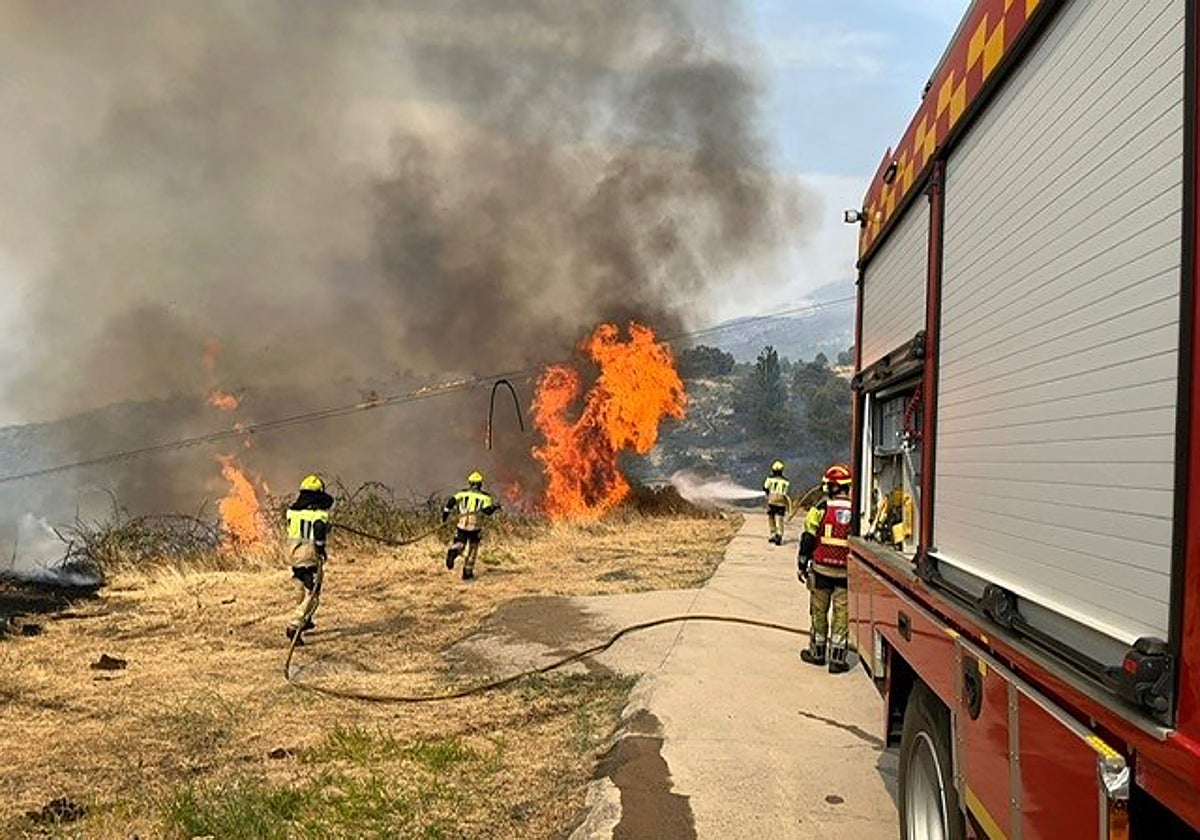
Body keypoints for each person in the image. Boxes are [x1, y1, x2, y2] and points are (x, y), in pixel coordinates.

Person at [797, 464, 853, 673]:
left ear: (832, 486)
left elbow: (808, 537)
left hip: (821, 571)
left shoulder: (820, 507)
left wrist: (802, 564)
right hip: (846, 573)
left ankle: (817, 653)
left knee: (819, 612)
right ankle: (837, 660)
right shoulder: (858, 509)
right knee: (841, 615)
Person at [285, 473, 334, 646]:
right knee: (313, 594)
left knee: (301, 586)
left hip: (293, 556)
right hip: (309, 557)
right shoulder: (318, 515)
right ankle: (295, 624)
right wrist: (320, 547)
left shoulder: (292, 512)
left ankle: (306, 620)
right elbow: (318, 528)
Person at [442, 470, 500, 581]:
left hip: (462, 525)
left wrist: (445, 516)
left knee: (460, 544)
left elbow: (450, 502)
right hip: (475, 527)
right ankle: (467, 573)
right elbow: (487, 511)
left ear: (470, 483)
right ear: (480, 484)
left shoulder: (462, 493)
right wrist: (495, 507)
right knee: (472, 550)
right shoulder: (485, 497)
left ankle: (453, 552)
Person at [763, 460, 790, 545]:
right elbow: (786, 491)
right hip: (782, 500)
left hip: (772, 500)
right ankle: (780, 534)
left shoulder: (769, 479)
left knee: (771, 517)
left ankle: (773, 534)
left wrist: (767, 495)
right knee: (780, 518)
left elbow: (765, 488)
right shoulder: (786, 481)